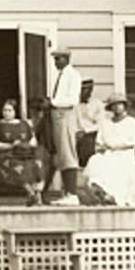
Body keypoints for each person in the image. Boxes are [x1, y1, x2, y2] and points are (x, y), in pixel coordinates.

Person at [82, 93, 135, 206]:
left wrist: (114, 146)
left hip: (125, 154)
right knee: (95, 161)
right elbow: (99, 142)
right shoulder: (105, 123)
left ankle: (118, 198)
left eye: (119, 104)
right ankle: (104, 193)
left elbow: (132, 143)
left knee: (122, 169)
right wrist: (103, 148)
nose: (116, 107)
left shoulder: (131, 122)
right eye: (113, 105)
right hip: (108, 153)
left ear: (124, 106)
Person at [0, 99, 45, 206]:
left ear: (15, 112)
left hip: (24, 153)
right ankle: (31, 193)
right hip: (7, 154)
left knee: (37, 162)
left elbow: (33, 140)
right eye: (4, 110)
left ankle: (36, 195)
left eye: (9, 110)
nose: (6, 113)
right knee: (16, 165)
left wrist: (26, 145)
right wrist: (10, 146)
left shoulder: (24, 124)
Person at [49, 49, 82, 205]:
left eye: (59, 59)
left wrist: (53, 102)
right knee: (62, 154)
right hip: (57, 115)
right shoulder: (61, 75)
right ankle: (67, 193)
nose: (57, 62)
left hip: (66, 114)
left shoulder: (72, 75)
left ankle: (72, 194)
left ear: (67, 59)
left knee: (68, 152)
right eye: (55, 59)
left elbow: (72, 100)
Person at [75, 79, 106, 167]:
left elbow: (101, 123)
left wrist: (86, 131)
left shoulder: (97, 104)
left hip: (91, 134)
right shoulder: (73, 104)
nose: (84, 92)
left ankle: (86, 165)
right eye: (81, 89)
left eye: (87, 89)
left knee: (88, 143)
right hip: (74, 133)